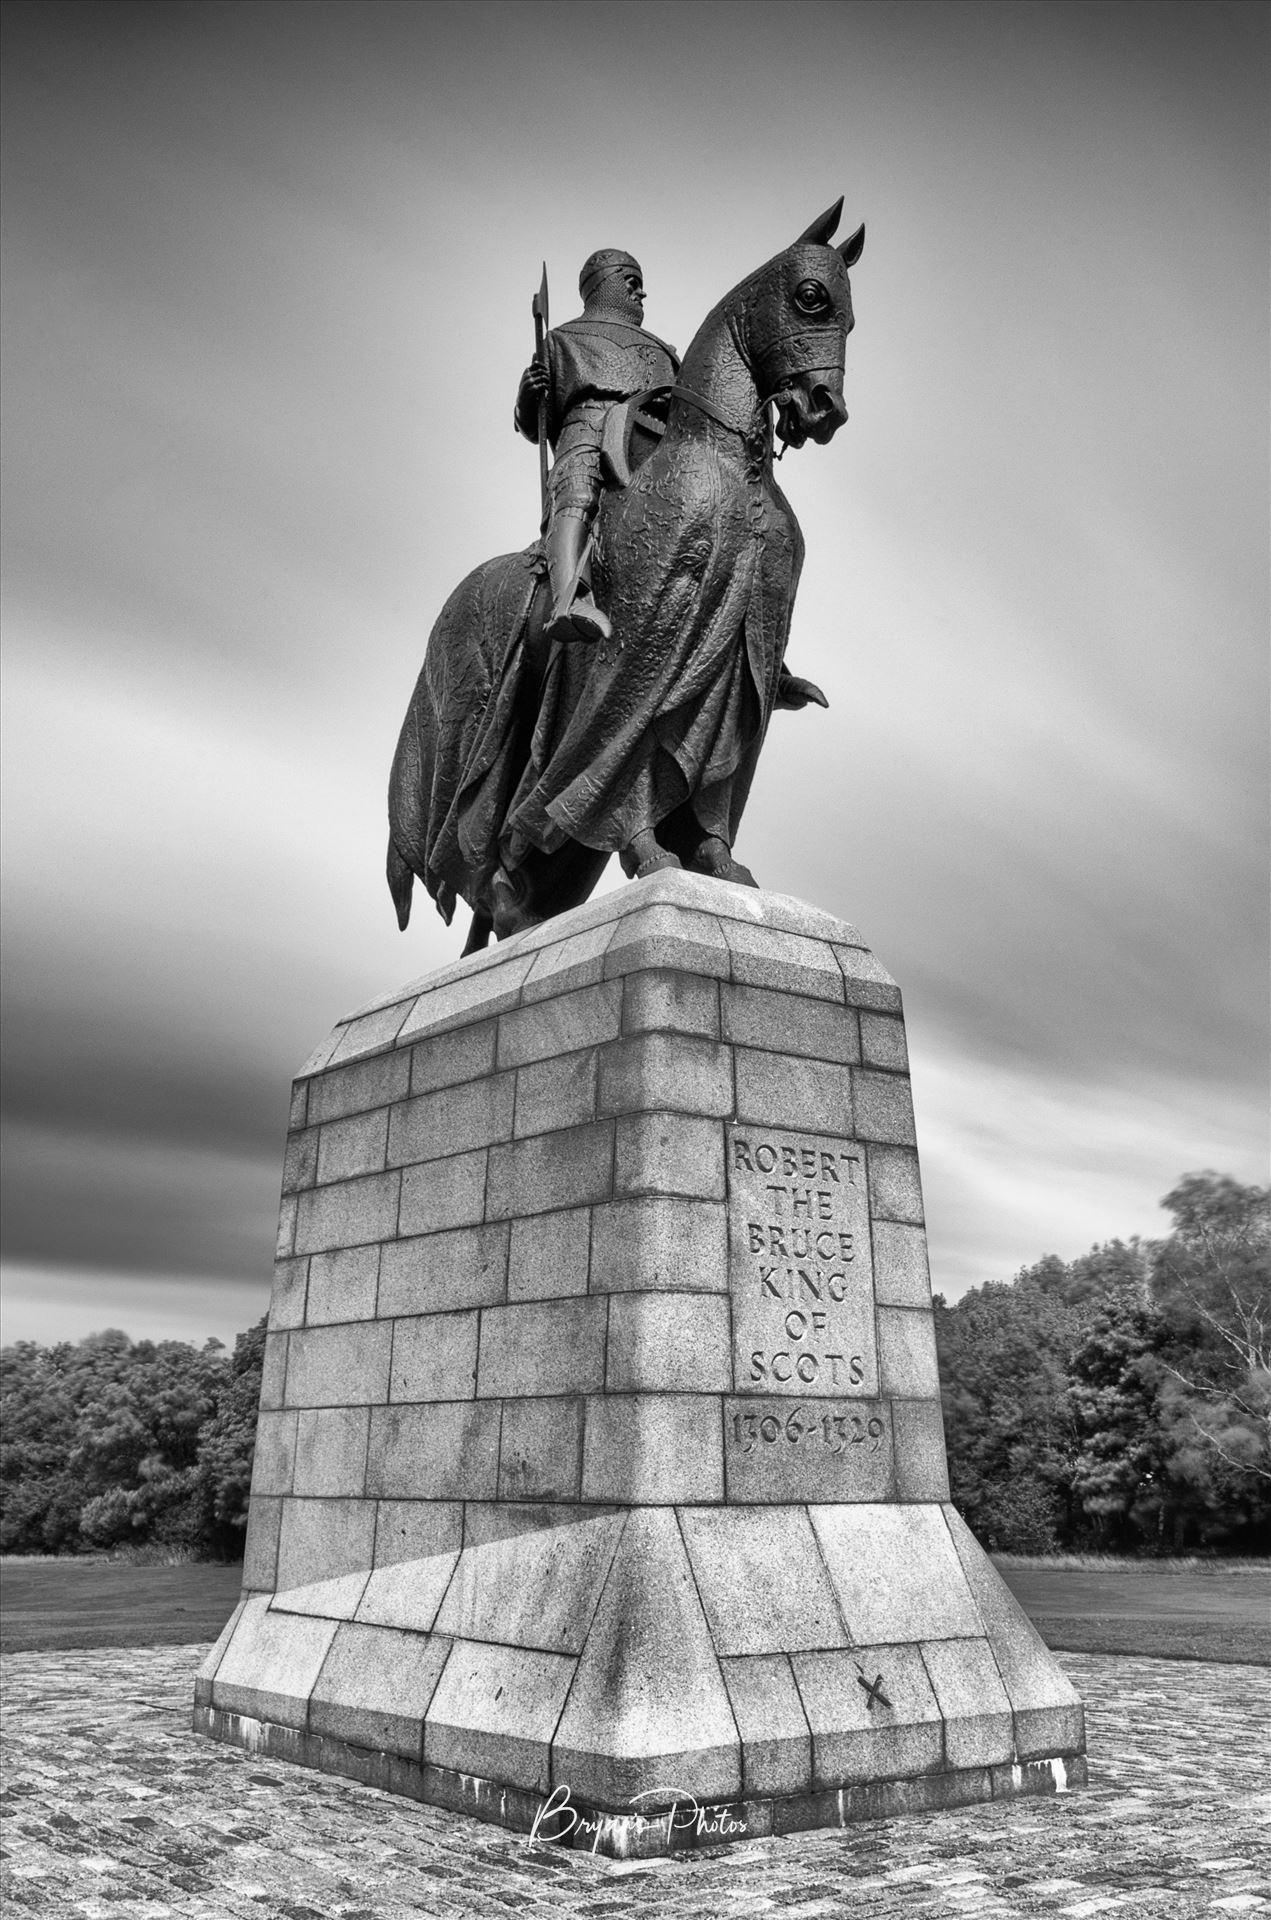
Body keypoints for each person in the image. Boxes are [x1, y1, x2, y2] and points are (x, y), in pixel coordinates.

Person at [515, 249, 679, 643]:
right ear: (605, 285)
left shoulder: (665, 351)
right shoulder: (562, 340)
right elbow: (535, 427)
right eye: (632, 283)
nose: (641, 294)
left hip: (653, 440)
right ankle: (570, 597)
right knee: (577, 491)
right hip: (587, 430)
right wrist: (526, 398)